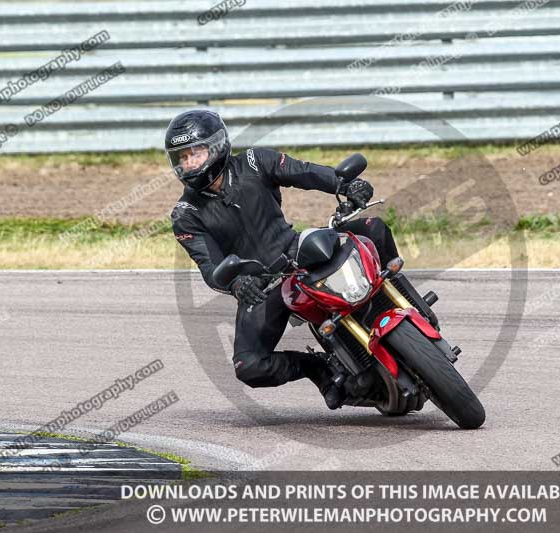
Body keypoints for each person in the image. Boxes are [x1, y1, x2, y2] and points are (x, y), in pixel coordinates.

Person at [167, 109, 399, 409]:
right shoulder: (185, 214)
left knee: (373, 229)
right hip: (262, 285)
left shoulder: (254, 161)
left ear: (216, 147)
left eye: (194, 154)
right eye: (181, 158)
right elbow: (210, 266)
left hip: (299, 251)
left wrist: (343, 185)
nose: (188, 163)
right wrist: (237, 284)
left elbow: (304, 172)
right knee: (249, 366)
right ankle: (318, 368)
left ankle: (398, 301)